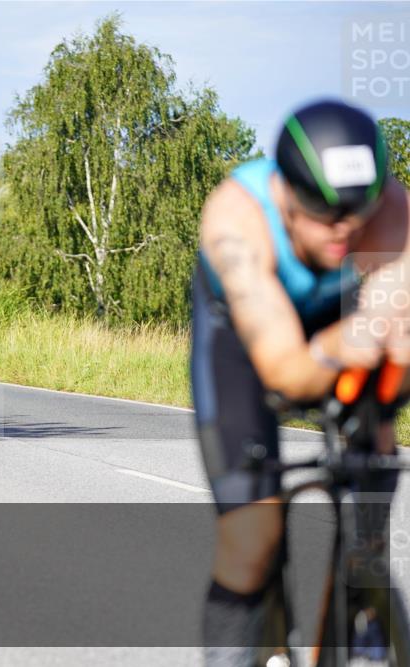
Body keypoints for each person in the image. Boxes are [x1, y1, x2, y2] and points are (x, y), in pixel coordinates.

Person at [192, 99, 410, 664]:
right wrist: (349, 342)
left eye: (356, 215)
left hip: (343, 315)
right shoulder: (236, 223)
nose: (343, 231)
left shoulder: (388, 209)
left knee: (370, 500)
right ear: (286, 194)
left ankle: (360, 617)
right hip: (246, 337)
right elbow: (284, 372)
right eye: (324, 214)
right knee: (250, 541)